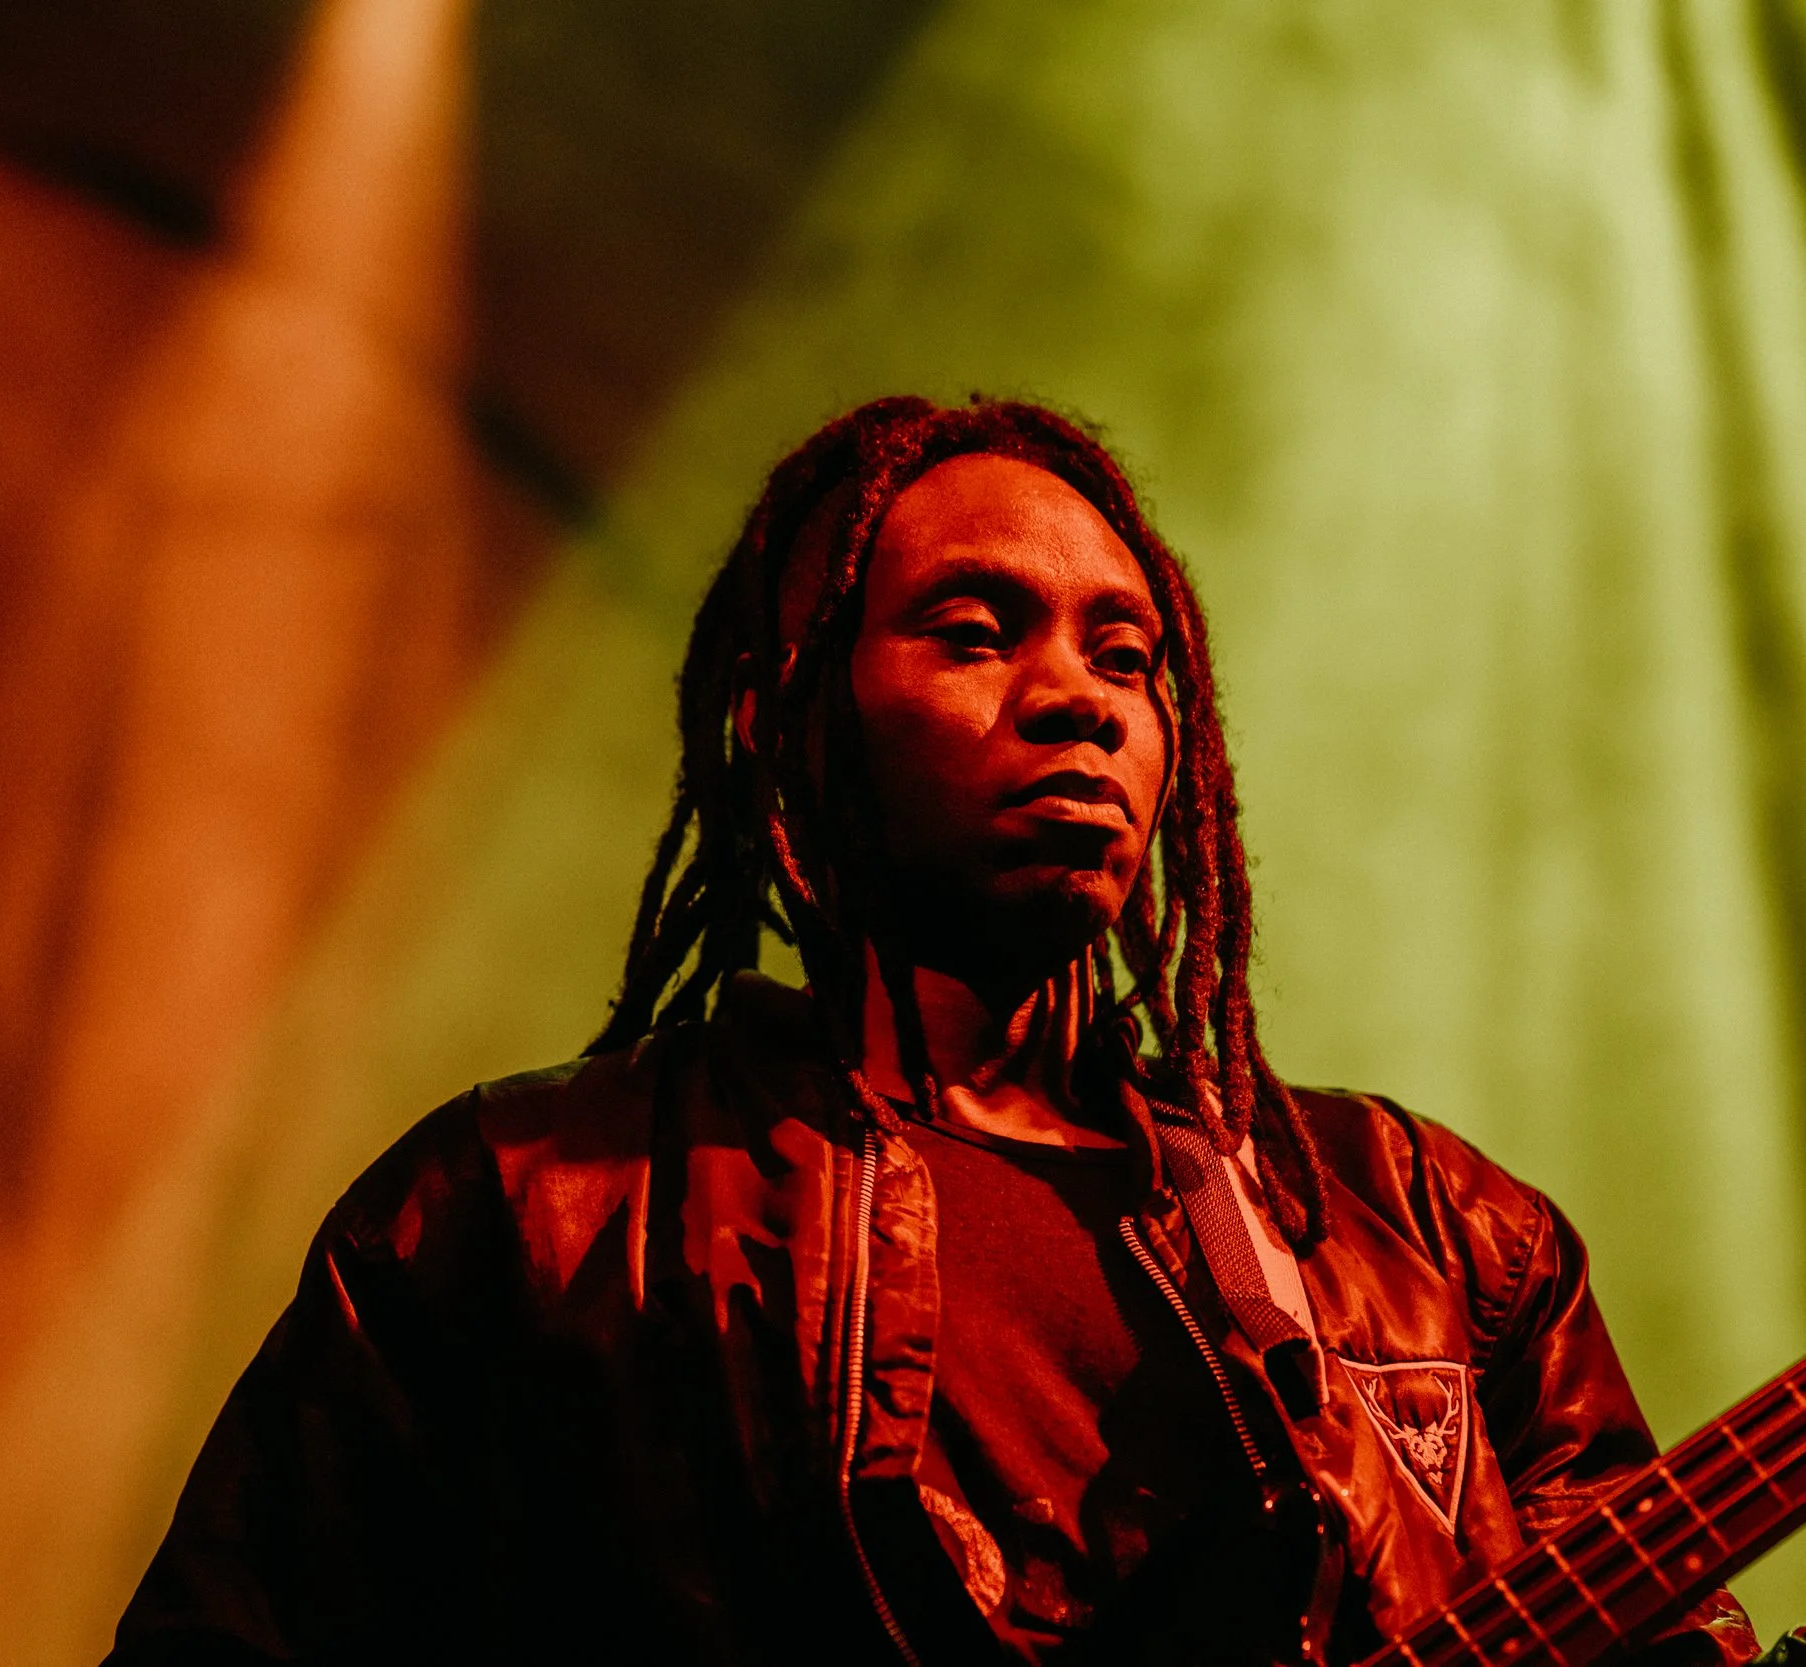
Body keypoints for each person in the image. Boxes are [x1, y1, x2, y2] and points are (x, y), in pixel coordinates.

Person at [105, 397, 1758, 1664]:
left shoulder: (1427, 1232)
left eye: (1129, 654)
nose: (1080, 696)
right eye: (976, 632)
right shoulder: (530, 1204)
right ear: (785, 719)